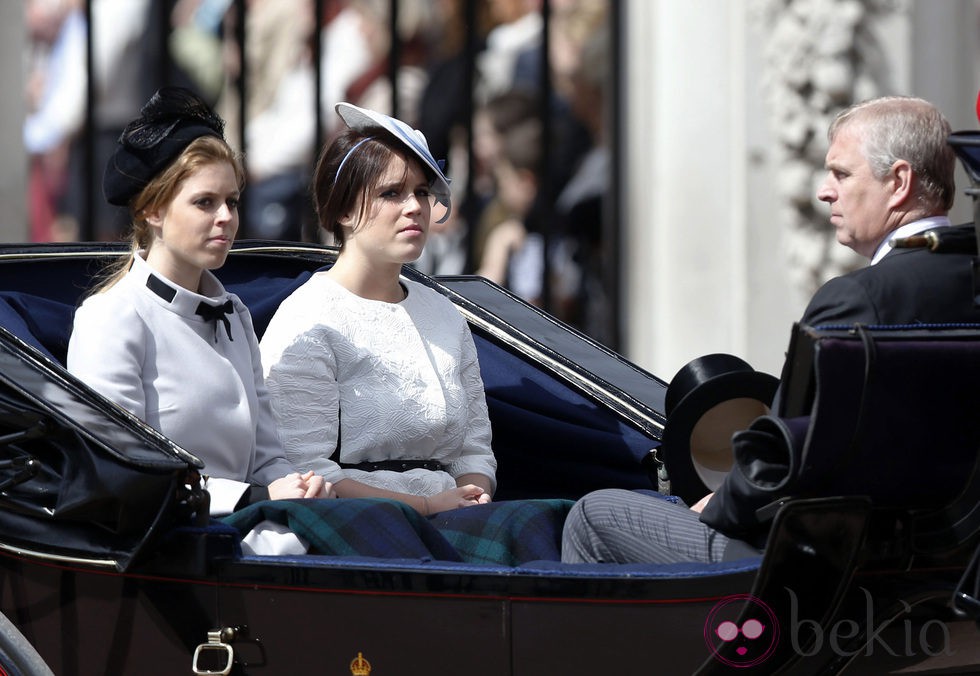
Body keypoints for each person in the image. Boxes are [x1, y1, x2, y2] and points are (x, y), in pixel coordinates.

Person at [561, 95, 980, 564]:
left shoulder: (857, 299)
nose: (824, 191)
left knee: (593, 515)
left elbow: (784, 456)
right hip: (949, 565)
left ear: (899, 182)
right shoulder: (968, 280)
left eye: (841, 174)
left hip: (821, 571)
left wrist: (717, 506)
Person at [66, 86, 332, 520]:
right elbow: (124, 473)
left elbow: (267, 458)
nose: (226, 218)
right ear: (153, 210)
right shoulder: (112, 317)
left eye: (232, 201)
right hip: (174, 548)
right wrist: (253, 499)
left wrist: (298, 486)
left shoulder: (235, 313)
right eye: (204, 203)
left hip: (255, 532)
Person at [259, 102, 497, 516]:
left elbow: (473, 450)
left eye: (422, 192)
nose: (414, 207)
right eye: (391, 193)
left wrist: (474, 496)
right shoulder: (308, 318)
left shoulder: (444, 314)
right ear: (345, 210)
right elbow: (305, 469)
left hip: (458, 518)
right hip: (358, 528)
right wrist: (423, 506)